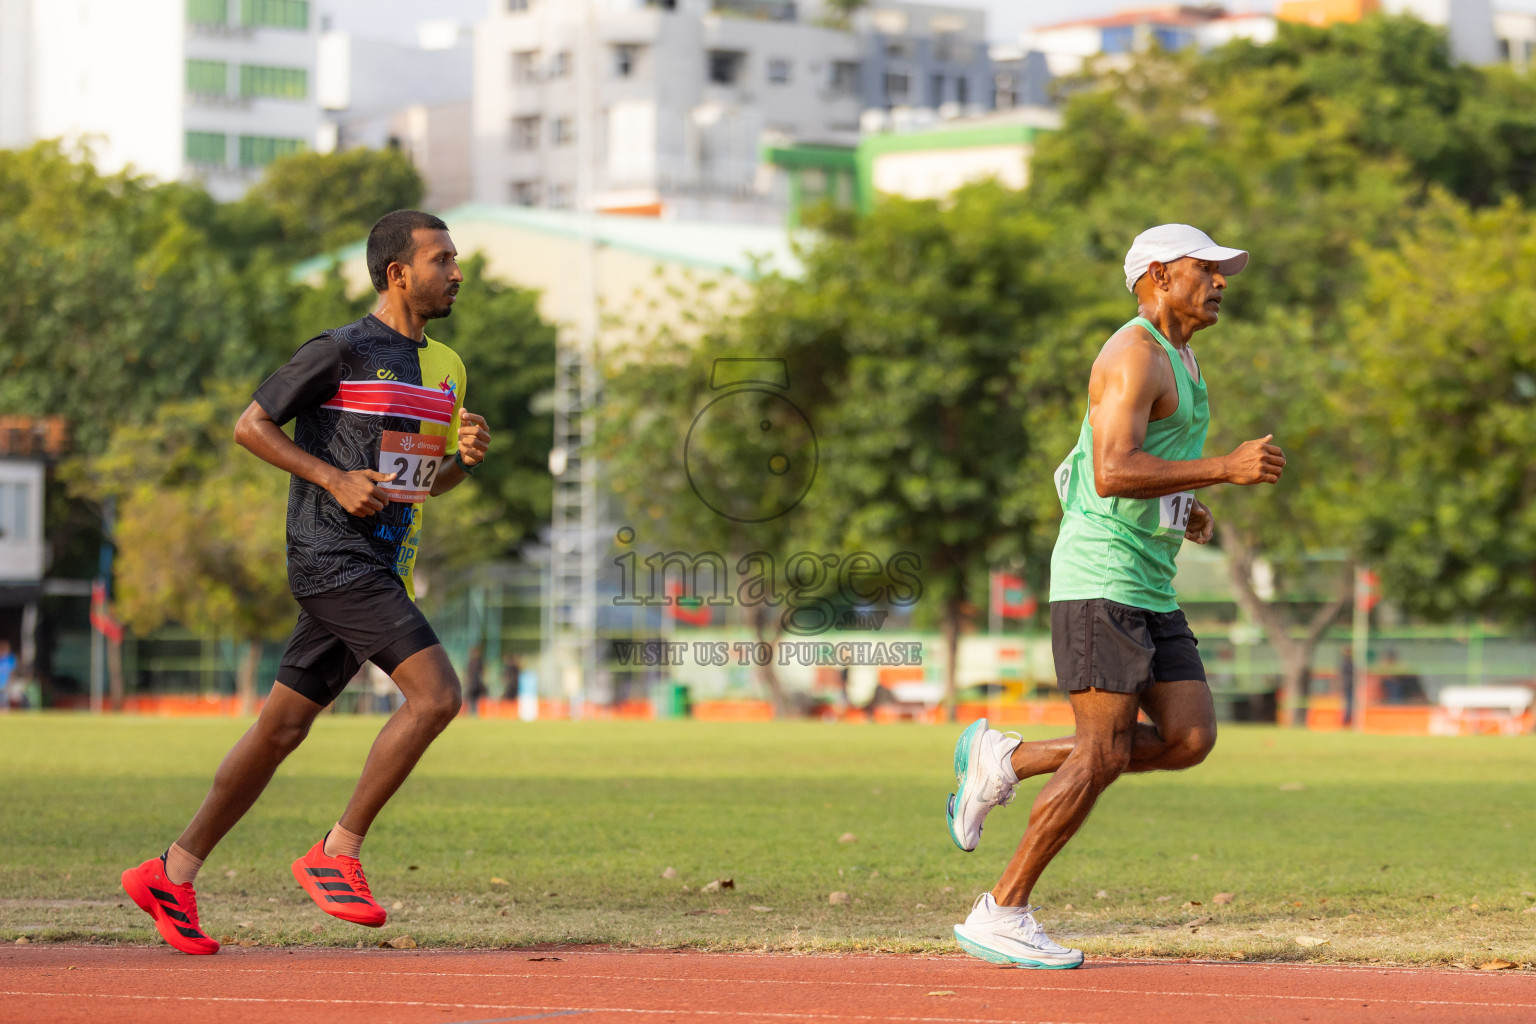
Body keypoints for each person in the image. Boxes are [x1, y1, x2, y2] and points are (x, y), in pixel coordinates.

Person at [120, 210, 492, 956]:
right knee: (438, 696)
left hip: (381, 567)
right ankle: (337, 851)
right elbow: (250, 425)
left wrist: (462, 460)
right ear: (398, 273)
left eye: (455, 259)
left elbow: (419, 486)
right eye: (442, 259)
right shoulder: (340, 351)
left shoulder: (446, 365)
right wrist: (329, 476)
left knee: (282, 728)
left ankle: (171, 871)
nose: (457, 272)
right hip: (330, 557)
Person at [945, 224, 1285, 969]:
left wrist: (1188, 506)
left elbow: (1150, 467)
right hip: (1100, 579)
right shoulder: (1131, 354)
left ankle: (1009, 758)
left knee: (1189, 738)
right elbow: (1110, 470)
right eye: (1207, 269)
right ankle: (1001, 910)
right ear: (1160, 275)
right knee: (1100, 754)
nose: (1222, 282)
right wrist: (1223, 468)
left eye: (1224, 271)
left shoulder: (1184, 360)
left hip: (1148, 583)